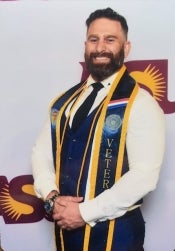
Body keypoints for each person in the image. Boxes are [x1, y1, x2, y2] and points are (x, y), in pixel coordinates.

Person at [32, 7, 165, 251]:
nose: (100, 47)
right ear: (86, 45)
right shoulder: (64, 102)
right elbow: (41, 154)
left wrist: (83, 212)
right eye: (94, 39)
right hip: (66, 232)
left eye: (110, 39)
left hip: (117, 237)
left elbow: (144, 176)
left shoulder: (141, 104)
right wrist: (51, 197)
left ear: (126, 48)